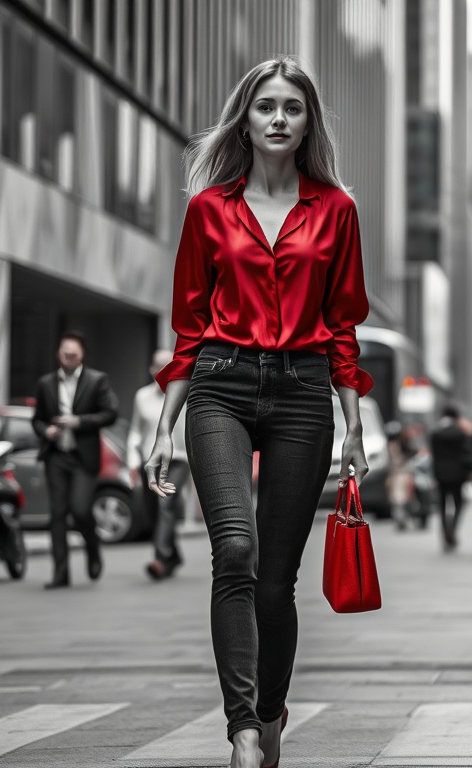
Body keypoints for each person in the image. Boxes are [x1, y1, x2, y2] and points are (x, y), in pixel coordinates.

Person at [144, 58, 374, 768]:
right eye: (265, 107)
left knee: (276, 579)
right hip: (220, 383)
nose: (278, 119)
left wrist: (353, 420)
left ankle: (271, 711)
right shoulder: (209, 209)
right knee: (234, 551)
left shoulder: (336, 210)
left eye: (292, 108)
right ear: (244, 118)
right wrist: (163, 421)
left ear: (309, 123)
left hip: (305, 392)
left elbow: (342, 324)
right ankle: (243, 727)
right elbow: (188, 319)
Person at [32, 332, 119, 589]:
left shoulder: (97, 380)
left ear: (82, 355)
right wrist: (45, 430)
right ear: (58, 354)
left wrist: (78, 422)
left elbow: (111, 413)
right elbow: (36, 418)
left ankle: (92, 548)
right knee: (57, 514)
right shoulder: (45, 383)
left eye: (74, 354)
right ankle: (61, 573)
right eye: (64, 353)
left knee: (80, 510)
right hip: (56, 455)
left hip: (84, 457)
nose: (69, 358)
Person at [128, 350, 190, 580]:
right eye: (158, 366)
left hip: (179, 459)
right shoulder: (141, 396)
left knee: (166, 506)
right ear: (152, 370)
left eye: (168, 365)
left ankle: (159, 558)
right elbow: (135, 430)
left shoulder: (186, 392)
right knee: (153, 512)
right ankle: (174, 555)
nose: (163, 370)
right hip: (149, 461)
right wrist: (132, 461)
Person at [430, 405, 472, 551]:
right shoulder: (460, 433)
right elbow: (467, 454)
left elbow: (433, 456)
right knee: (458, 503)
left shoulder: (435, 433)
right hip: (458, 474)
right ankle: (453, 527)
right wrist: (469, 472)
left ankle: (445, 531)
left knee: (442, 504)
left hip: (441, 474)